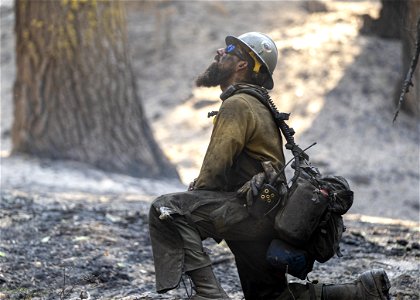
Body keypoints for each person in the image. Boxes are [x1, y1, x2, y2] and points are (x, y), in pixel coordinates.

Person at [148, 32, 391, 300]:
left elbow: (214, 171)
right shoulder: (256, 103)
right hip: (265, 212)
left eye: (229, 48)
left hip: (247, 212)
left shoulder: (238, 104)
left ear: (243, 65)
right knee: (270, 296)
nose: (219, 51)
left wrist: (194, 198)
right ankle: (362, 292)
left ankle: (209, 295)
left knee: (167, 209)